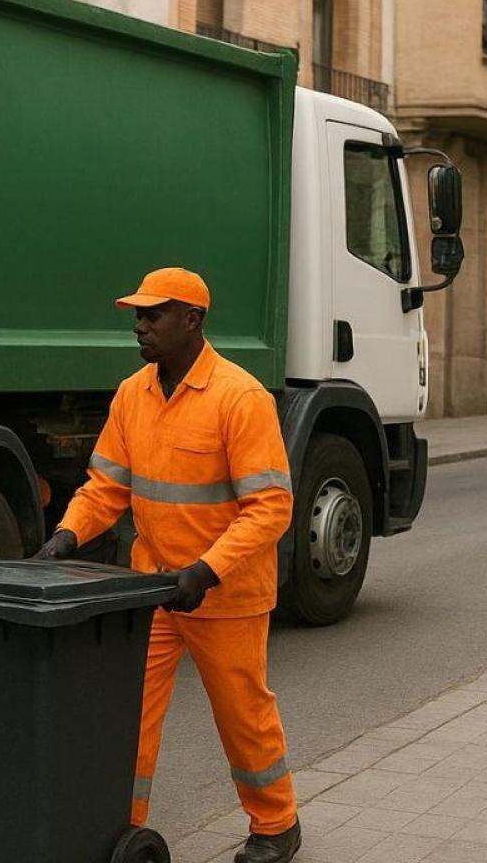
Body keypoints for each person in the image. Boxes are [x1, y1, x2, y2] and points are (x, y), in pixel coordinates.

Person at [32, 266, 301, 863]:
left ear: (193, 320)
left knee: (243, 715)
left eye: (154, 314)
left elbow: (270, 507)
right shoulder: (134, 393)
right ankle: (120, 828)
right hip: (152, 588)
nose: (140, 325)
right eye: (137, 314)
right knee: (127, 717)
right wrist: (66, 538)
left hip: (224, 594)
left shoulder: (239, 397)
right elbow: (107, 486)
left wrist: (204, 572)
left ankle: (276, 824)